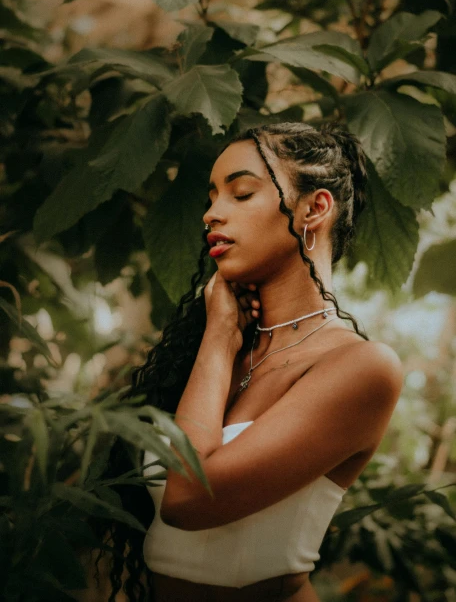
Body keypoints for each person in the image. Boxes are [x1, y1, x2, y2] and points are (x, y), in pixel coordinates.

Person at [102, 121, 403, 602]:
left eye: (241, 194)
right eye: (212, 195)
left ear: (314, 208)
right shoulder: (220, 345)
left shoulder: (361, 367)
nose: (211, 214)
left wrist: (219, 338)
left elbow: (187, 500)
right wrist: (220, 336)